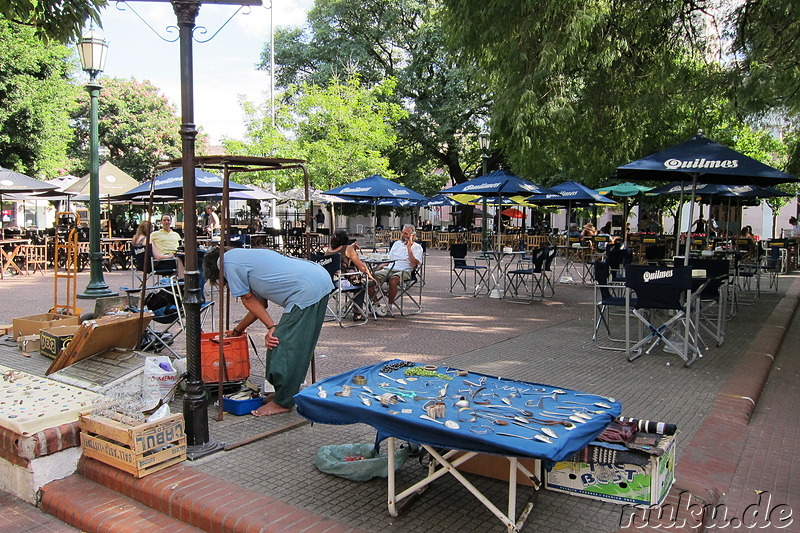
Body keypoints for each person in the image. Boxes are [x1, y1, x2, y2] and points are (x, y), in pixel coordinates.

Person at [203, 247, 333, 416]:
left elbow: (248, 299)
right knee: (294, 345)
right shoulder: (244, 257)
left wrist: (271, 327)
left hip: (306, 290)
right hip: (317, 278)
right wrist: (237, 330)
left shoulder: (226, 263)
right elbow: (259, 304)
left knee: (281, 345)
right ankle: (284, 393)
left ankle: (283, 402)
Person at [368, 224, 423, 316]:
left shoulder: (417, 247)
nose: (403, 235)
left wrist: (409, 248)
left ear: (412, 235)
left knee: (393, 280)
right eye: (402, 232)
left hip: (404, 270)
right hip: (389, 268)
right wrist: (377, 268)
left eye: (406, 233)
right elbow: (388, 259)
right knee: (369, 279)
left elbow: (414, 265)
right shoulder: (397, 244)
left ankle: (389, 306)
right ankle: (377, 305)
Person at [327, 230, 374, 321]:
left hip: (329, 281)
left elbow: (341, 253)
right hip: (340, 283)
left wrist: (350, 248)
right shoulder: (348, 248)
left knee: (355, 279)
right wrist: (371, 276)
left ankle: (354, 309)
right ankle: (357, 312)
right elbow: (362, 267)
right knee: (362, 283)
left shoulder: (329, 250)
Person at [150, 213, 184, 278]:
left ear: (171, 222)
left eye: (168, 220)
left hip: (176, 256)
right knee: (180, 261)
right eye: (164, 220)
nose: (166, 222)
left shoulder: (176, 234)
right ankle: (180, 282)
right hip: (163, 259)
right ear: (161, 222)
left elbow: (181, 246)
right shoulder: (154, 235)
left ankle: (173, 283)